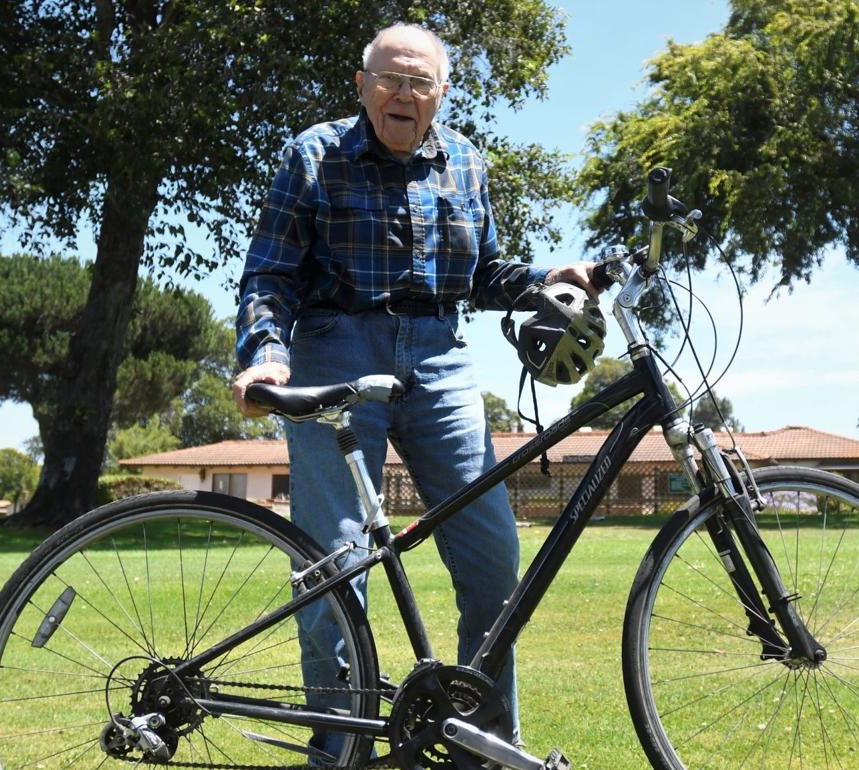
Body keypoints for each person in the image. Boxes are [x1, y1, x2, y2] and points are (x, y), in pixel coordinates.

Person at [232, 22, 595, 759]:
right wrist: (266, 356)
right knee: (336, 571)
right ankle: (340, 754)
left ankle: (482, 749)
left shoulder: (464, 160)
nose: (404, 92)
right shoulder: (314, 154)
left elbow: (485, 273)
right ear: (362, 84)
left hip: (442, 359)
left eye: (419, 81)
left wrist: (546, 281)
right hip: (336, 346)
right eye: (390, 78)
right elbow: (270, 271)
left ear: (442, 93)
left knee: (494, 562)